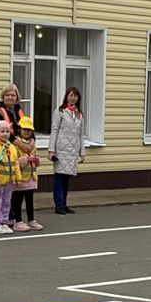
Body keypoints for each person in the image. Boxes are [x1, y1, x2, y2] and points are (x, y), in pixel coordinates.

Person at [49, 85, 86, 214]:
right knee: (59, 177)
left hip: (72, 150)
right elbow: (54, 130)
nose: (73, 98)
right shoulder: (60, 111)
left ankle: (64, 204)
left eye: (75, 96)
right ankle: (58, 205)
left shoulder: (79, 114)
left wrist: (82, 152)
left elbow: (81, 135)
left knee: (66, 179)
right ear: (66, 97)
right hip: (61, 148)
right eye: (70, 95)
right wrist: (51, 150)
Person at [11, 116, 42, 232]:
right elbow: (14, 162)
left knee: (30, 200)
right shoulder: (15, 144)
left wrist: (37, 160)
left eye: (29, 130)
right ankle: (17, 221)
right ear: (19, 129)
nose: (27, 132)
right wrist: (26, 159)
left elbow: (37, 159)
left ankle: (31, 220)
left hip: (31, 177)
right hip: (20, 178)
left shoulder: (32, 144)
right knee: (17, 201)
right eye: (24, 129)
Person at [0, 120, 18, 235]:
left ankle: (4, 221)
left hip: (9, 180)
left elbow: (15, 164)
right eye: (2, 131)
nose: (5, 134)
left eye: (7, 131)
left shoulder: (11, 147)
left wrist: (17, 178)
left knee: (6, 202)